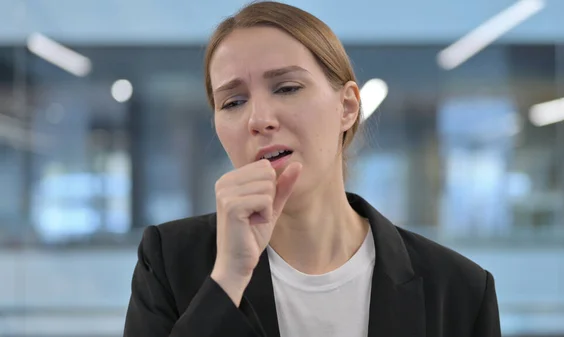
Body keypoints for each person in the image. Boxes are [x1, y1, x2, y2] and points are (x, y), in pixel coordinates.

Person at [123, 1, 501, 336]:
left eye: (286, 88)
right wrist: (228, 280)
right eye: (233, 101)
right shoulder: (170, 263)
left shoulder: (458, 289)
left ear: (348, 107)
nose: (258, 119)